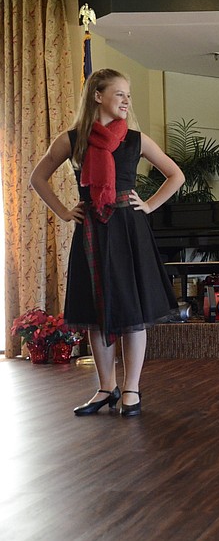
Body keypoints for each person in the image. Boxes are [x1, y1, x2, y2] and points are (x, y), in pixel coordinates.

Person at [30, 68, 185, 417]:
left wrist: (148, 205)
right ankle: (105, 388)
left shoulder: (136, 140)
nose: (127, 100)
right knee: (97, 313)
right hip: (93, 231)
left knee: (133, 312)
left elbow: (176, 175)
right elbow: (37, 178)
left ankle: (131, 389)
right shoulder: (72, 140)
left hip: (129, 230)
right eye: (120, 94)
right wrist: (65, 211)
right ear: (98, 96)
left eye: (129, 95)